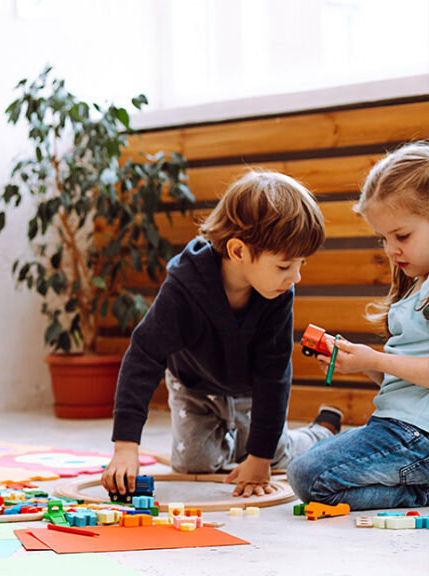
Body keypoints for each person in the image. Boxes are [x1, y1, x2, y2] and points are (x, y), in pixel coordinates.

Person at [101, 170, 339, 499]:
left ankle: (318, 433)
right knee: (193, 464)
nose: (295, 277)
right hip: (194, 386)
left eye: (301, 264)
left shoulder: (278, 293)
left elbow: (274, 374)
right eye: (285, 266)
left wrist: (260, 458)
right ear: (238, 251)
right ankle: (234, 443)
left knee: (274, 452)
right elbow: (144, 355)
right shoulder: (184, 287)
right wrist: (125, 446)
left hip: (248, 390)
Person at [287, 142, 429, 510]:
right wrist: (361, 362)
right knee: (307, 474)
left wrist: (377, 359)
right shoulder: (413, 284)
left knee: (308, 476)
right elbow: (403, 381)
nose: (391, 250)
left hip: (418, 434)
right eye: (383, 239)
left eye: (402, 236)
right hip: (399, 425)